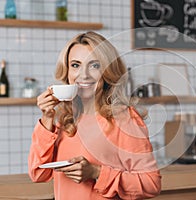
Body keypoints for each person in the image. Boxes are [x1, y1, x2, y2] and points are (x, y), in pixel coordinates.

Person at [28, 31, 161, 199]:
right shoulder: (65, 118)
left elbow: (151, 184)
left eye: (94, 65)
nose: (84, 75)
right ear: (67, 72)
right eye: (75, 65)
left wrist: (96, 172)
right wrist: (47, 118)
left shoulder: (123, 118)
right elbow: (38, 173)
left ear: (107, 71)